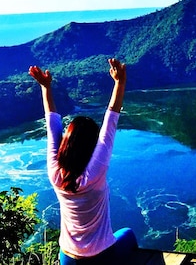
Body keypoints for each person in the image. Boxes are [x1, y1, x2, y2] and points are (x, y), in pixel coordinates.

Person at [29, 58, 138, 264]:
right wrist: (119, 82)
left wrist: (45, 87)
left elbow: (52, 125)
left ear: (66, 144)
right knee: (129, 234)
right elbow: (110, 121)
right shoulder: (94, 173)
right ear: (91, 145)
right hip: (102, 257)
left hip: (68, 258)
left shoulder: (56, 173)